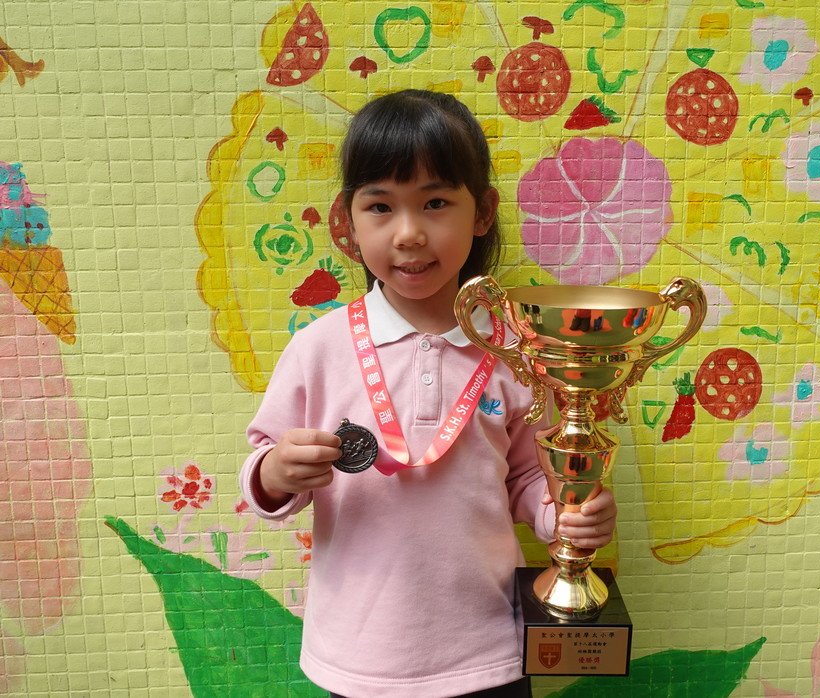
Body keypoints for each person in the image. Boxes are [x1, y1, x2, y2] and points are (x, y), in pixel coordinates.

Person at [239, 89, 618, 698]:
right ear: (348, 220)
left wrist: (565, 517)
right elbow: (262, 466)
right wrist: (277, 472)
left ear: (483, 212)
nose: (409, 234)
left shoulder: (517, 349)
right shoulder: (318, 349)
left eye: (436, 202)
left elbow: (528, 474)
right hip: (358, 657)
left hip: (488, 653)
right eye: (380, 207)